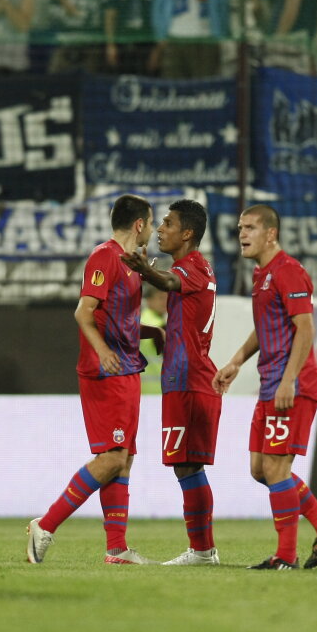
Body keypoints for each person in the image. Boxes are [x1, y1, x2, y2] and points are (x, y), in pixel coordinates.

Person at [26, 194, 160, 566]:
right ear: (139, 224)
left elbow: (121, 320)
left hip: (128, 367)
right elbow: (84, 312)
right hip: (107, 371)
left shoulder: (134, 264)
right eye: (150, 222)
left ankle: (116, 548)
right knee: (111, 457)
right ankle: (46, 525)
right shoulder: (105, 257)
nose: (152, 229)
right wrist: (102, 351)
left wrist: (152, 332)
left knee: (124, 458)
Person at [213, 205, 317, 570]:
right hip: (270, 382)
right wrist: (236, 361)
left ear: (271, 233)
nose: (242, 234)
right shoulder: (262, 275)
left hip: (292, 384)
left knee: (276, 468)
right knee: (261, 469)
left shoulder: (289, 272)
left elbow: (305, 329)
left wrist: (289, 379)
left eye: (251, 227)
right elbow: (264, 325)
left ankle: (284, 556)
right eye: (240, 227)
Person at [122, 198, 222, 566]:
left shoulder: (191, 266)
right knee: (186, 464)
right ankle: (202, 549)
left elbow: (166, 280)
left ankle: (202, 550)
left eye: (167, 223)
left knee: (189, 465)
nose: (160, 229)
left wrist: (142, 270)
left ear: (187, 233)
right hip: (185, 377)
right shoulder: (197, 268)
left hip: (190, 379)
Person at [138, 286, 166, 394]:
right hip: (157, 390)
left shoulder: (140, 320)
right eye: (160, 298)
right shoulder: (158, 325)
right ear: (148, 300)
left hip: (140, 388)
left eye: (167, 298)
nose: (165, 302)